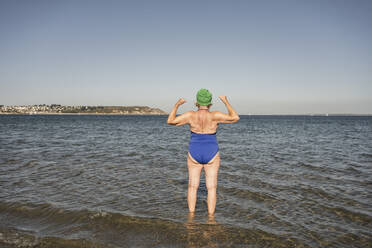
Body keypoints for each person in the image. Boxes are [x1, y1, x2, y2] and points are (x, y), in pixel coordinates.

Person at [167, 88, 239, 215]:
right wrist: (226, 102)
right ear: (210, 103)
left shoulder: (190, 115)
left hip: (194, 152)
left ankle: (191, 218)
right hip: (211, 152)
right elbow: (235, 117)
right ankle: (211, 219)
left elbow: (170, 121)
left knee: (192, 187)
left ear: (197, 102)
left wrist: (177, 105)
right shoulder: (214, 115)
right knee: (211, 188)